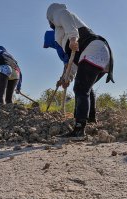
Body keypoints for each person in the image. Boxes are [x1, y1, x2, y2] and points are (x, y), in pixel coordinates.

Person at [46, 3, 114, 140]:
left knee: (81, 88)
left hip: (94, 50)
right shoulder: (63, 35)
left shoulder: (59, 13)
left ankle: (79, 130)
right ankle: (89, 120)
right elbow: (74, 64)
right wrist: (67, 78)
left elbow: (64, 16)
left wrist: (72, 37)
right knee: (84, 87)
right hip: (99, 53)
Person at [43, 30, 100, 123]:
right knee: (86, 87)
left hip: (88, 58)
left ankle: (82, 119)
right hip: (92, 57)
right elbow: (67, 65)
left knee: (82, 87)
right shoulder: (63, 41)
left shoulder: (62, 43)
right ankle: (86, 117)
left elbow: (71, 62)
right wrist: (62, 79)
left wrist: (67, 79)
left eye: (50, 44)